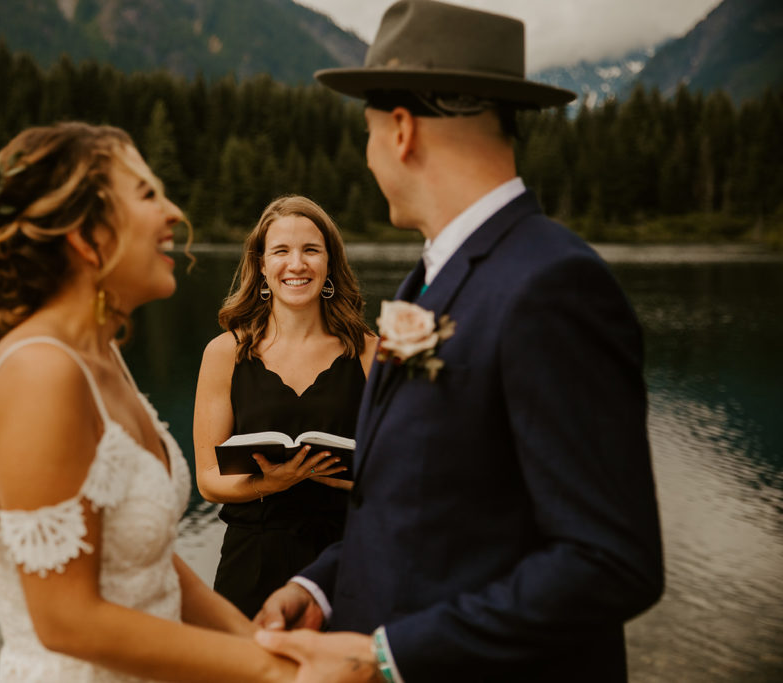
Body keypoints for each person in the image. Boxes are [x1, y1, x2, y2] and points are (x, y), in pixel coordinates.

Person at [253, 2, 664, 682]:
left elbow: (610, 561)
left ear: (403, 131)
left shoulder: (551, 284)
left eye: (369, 130)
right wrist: (323, 585)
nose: (370, 150)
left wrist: (385, 655)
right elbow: (419, 504)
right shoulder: (432, 279)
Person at [0, 122, 295, 682]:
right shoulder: (41, 372)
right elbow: (67, 622)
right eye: (149, 195)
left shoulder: (101, 355)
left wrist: (262, 643)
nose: (174, 212)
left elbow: (144, 560)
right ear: (88, 237)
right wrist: (274, 673)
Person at [193, 196, 377, 618]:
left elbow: (399, 471)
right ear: (261, 265)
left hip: (347, 559)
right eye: (281, 251)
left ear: (330, 263)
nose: (297, 264)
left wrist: (352, 483)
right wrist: (270, 484)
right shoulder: (225, 353)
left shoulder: (371, 353)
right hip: (252, 559)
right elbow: (208, 479)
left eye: (311, 250)